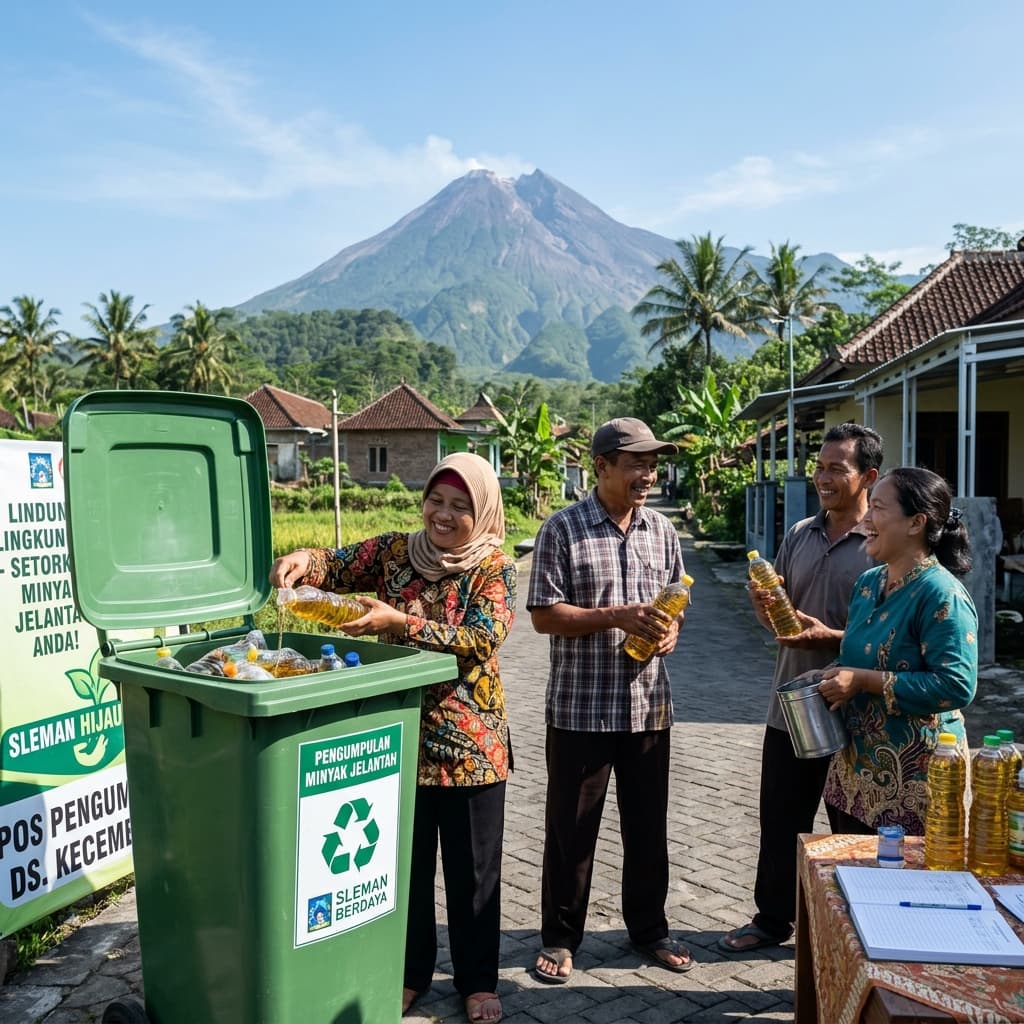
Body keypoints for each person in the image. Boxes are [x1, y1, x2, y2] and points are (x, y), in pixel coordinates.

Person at [269, 452, 515, 1024]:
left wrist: (399, 623)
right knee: (404, 871)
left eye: (460, 506)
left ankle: (478, 982)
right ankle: (408, 974)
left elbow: (481, 638)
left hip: (470, 747)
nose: (443, 515)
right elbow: (335, 564)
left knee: (473, 875)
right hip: (397, 737)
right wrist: (303, 559)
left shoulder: (493, 568)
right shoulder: (394, 553)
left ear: (482, 512)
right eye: (435, 500)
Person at [527, 417, 692, 983]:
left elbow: (677, 598)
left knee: (647, 829)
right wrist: (616, 615)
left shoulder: (662, 531)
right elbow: (544, 615)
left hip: (648, 708)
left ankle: (650, 930)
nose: (648, 475)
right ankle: (560, 938)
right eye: (636, 464)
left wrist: (670, 631)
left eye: (653, 465)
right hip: (581, 710)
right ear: (601, 467)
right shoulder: (562, 529)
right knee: (570, 834)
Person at [719, 423, 883, 955]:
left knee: (852, 825)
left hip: (855, 710)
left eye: (838, 468)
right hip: (790, 704)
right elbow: (780, 619)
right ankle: (773, 920)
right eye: (819, 467)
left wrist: (829, 637)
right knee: (781, 818)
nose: (823, 478)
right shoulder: (799, 534)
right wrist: (765, 607)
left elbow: (887, 636)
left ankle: (853, 926)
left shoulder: (880, 544)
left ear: (869, 477)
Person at [814, 466, 978, 834]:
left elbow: (956, 685)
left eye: (878, 508)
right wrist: (831, 675)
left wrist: (863, 681)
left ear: (916, 522)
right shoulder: (868, 583)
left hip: (915, 785)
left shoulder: (941, 594)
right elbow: (862, 654)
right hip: (853, 780)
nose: (866, 520)